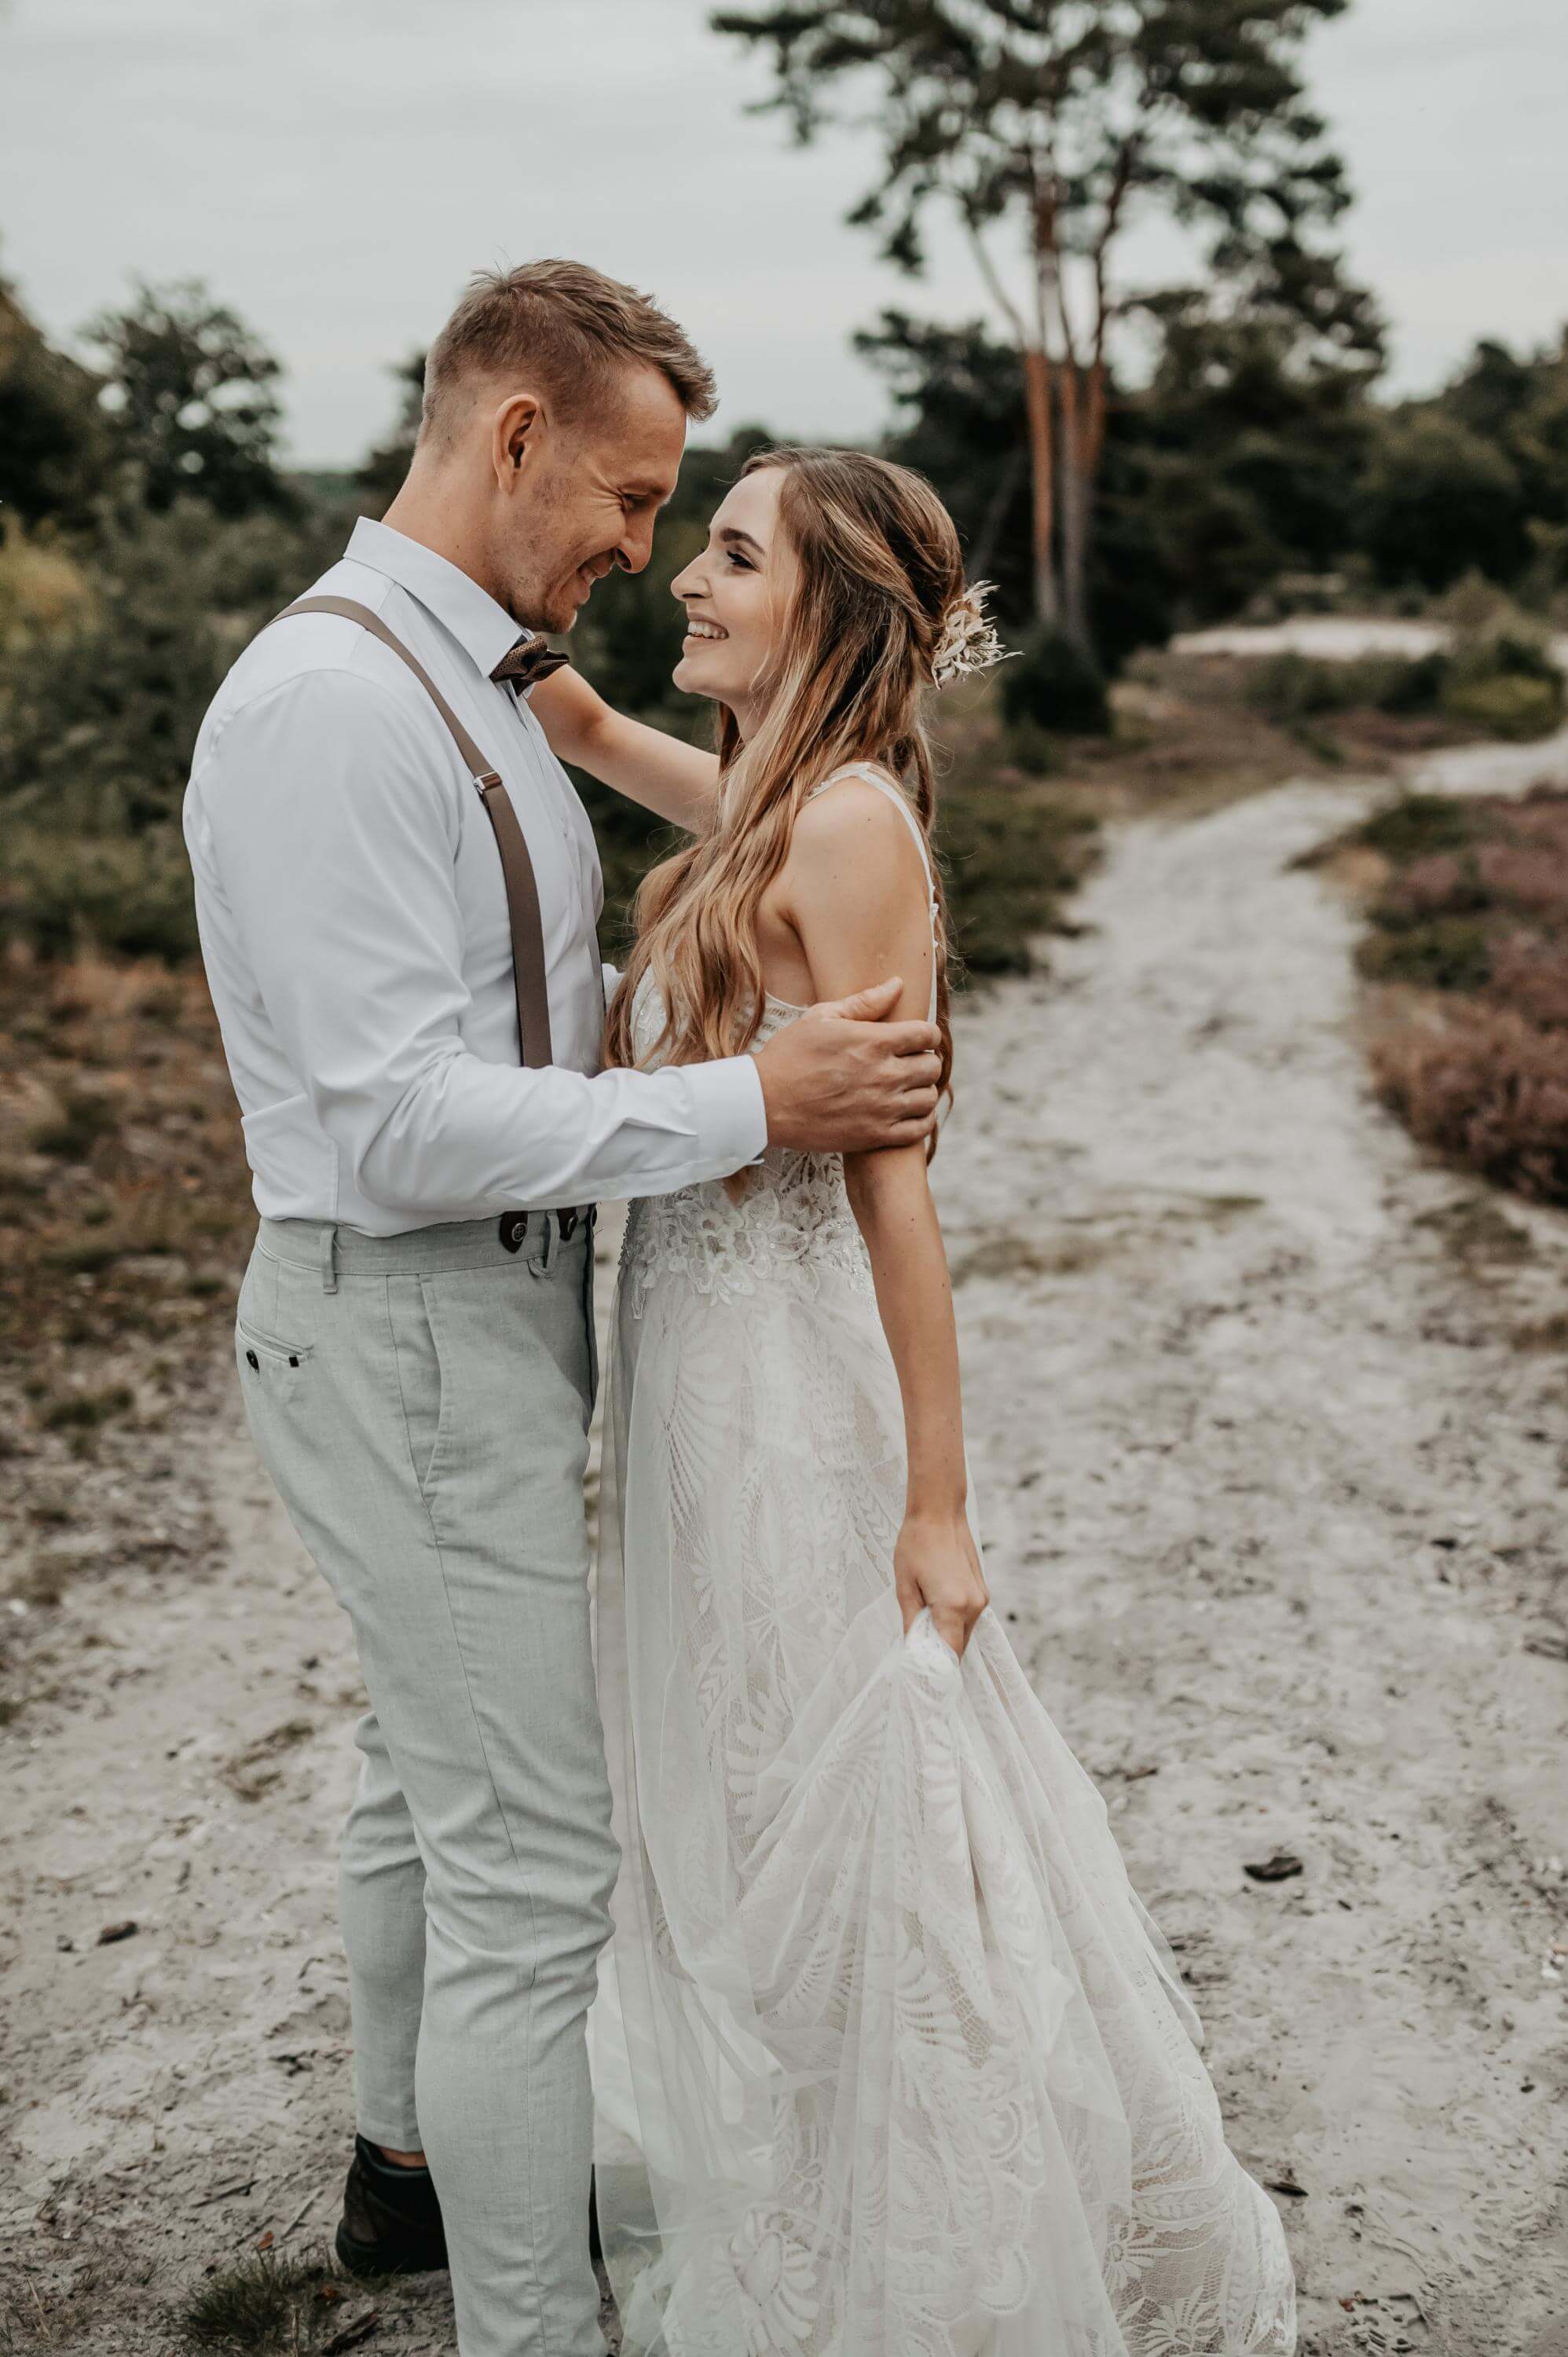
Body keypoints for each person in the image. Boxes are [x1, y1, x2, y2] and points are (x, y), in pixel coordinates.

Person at [182, 263, 944, 2357]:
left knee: (417, 1765)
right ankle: (535, 2328)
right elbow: (391, 1119)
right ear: (508, 433)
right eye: (625, 493)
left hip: (484, 1318)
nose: (634, 544)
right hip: (410, 1315)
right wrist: (741, 1100)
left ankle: (400, 2170)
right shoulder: (343, 704)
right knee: (531, 1872)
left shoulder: (495, 688)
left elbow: (741, 851)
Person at [555, 446, 1299, 2355]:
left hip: (790, 1393)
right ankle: (816, 2172)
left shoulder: (853, 825)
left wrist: (937, 1506)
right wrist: (559, 707)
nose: (689, 584)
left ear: (829, 606)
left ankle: (934, 2245)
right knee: (741, 1794)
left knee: (857, 1819)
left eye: (730, 557)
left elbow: (899, 1198)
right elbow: (716, 813)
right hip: (696, 1383)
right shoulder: (784, 808)